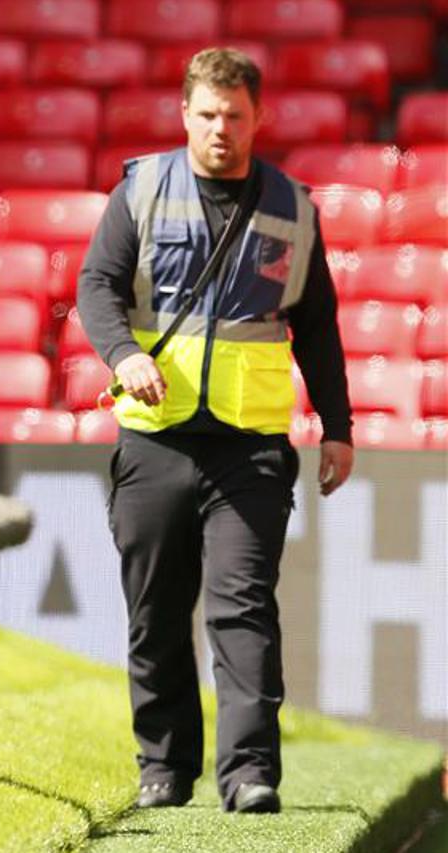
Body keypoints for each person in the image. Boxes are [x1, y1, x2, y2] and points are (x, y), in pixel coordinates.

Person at [76, 47, 355, 815]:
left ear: (258, 117)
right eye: (207, 114)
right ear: (184, 115)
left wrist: (339, 425)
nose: (221, 129)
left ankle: (249, 774)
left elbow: (319, 326)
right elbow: (96, 285)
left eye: (235, 115)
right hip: (154, 437)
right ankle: (164, 768)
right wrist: (124, 354)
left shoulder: (294, 208)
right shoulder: (140, 189)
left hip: (252, 445)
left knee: (243, 607)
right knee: (156, 610)